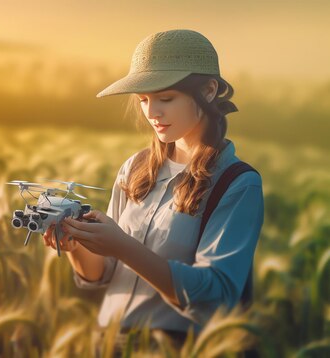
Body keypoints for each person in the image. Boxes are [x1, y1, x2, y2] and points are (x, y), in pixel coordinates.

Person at [42, 29, 264, 354]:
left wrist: (124, 247)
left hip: (176, 347)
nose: (152, 113)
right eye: (144, 100)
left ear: (209, 89)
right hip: (109, 342)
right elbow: (102, 273)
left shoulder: (237, 183)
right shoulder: (134, 169)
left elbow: (215, 296)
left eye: (166, 98)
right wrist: (75, 243)